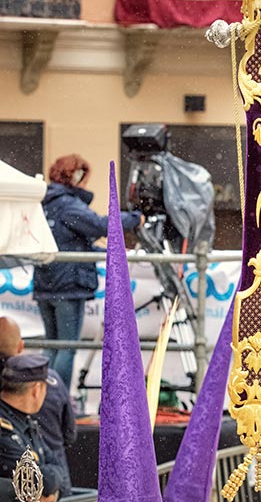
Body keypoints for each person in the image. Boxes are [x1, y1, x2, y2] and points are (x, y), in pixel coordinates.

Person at [33, 154, 143, 387]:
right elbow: (101, 225)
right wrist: (135, 219)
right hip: (68, 285)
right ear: (75, 176)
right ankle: (59, 397)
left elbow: (65, 241)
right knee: (67, 347)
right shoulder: (68, 204)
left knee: (51, 346)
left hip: (45, 283)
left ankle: (44, 397)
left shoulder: (44, 203)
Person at [0, 318, 75, 499]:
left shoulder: (25, 419)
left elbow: (50, 471)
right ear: (36, 390)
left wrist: (48, 482)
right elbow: (69, 435)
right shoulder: (6, 429)